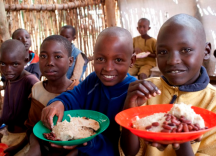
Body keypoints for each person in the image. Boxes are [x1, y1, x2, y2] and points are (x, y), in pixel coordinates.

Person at [120, 14, 216, 156]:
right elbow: (129, 152)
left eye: (186, 50)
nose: (172, 60)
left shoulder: (212, 103)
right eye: (163, 52)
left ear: (206, 51)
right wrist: (129, 109)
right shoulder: (148, 90)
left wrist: (181, 137)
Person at [41, 27, 137, 156]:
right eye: (101, 59)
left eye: (118, 60)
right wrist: (59, 102)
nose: (108, 68)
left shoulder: (134, 94)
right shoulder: (93, 80)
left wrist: (88, 142)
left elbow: (125, 149)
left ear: (132, 61)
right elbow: (74, 96)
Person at [24, 35, 80, 156]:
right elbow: (32, 127)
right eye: (43, 56)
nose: (49, 62)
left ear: (70, 61)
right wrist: (35, 147)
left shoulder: (78, 91)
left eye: (58, 57)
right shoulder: (36, 89)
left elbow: (86, 134)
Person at [0, 39, 39, 155]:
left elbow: (36, 121)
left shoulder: (31, 82)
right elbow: (11, 106)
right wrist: (0, 121)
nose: (8, 70)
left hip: (25, 140)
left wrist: (18, 146)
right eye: (3, 63)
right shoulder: (11, 78)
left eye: (15, 64)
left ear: (25, 61)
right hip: (11, 135)